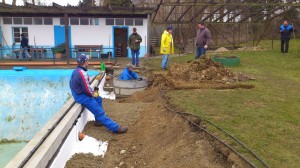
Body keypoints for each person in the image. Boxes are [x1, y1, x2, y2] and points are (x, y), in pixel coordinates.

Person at [70, 54, 128, 134]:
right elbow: (87, 89)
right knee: (99, 112)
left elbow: (78, 86)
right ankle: (116, 128)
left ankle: (98, 121)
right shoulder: (82, 74)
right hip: (82, 96)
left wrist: (93, 93)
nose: (88, 63)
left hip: (78, 94)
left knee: (99, 98)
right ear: (84, 62)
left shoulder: (75, 71)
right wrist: (93, 94)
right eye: (87, 61)